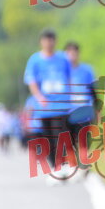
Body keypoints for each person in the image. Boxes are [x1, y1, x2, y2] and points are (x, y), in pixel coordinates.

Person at [24, 29, 72, 176]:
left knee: (61, 135)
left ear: (55, 41)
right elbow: (31, 81)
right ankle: (55, 167)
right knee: (48, 138)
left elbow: (69, 77)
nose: (49, 43)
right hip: (44, 106)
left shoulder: (63, 58)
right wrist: (39, 97)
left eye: (51, 40)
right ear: (41, 42)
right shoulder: (35, 60)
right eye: (46, 40)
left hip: (61, 105)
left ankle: (63, 164)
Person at [64, 41, 98, 171]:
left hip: (84, 112)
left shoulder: (87, 70)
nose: (72, 55)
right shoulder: (61, 72)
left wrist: (96, 110)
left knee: (83, 142)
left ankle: (84, 167)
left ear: (78, 54)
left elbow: (94, 91)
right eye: (69, 52)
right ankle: (72, 166)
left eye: (74, 52)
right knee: (69, 142)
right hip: (67, 112)